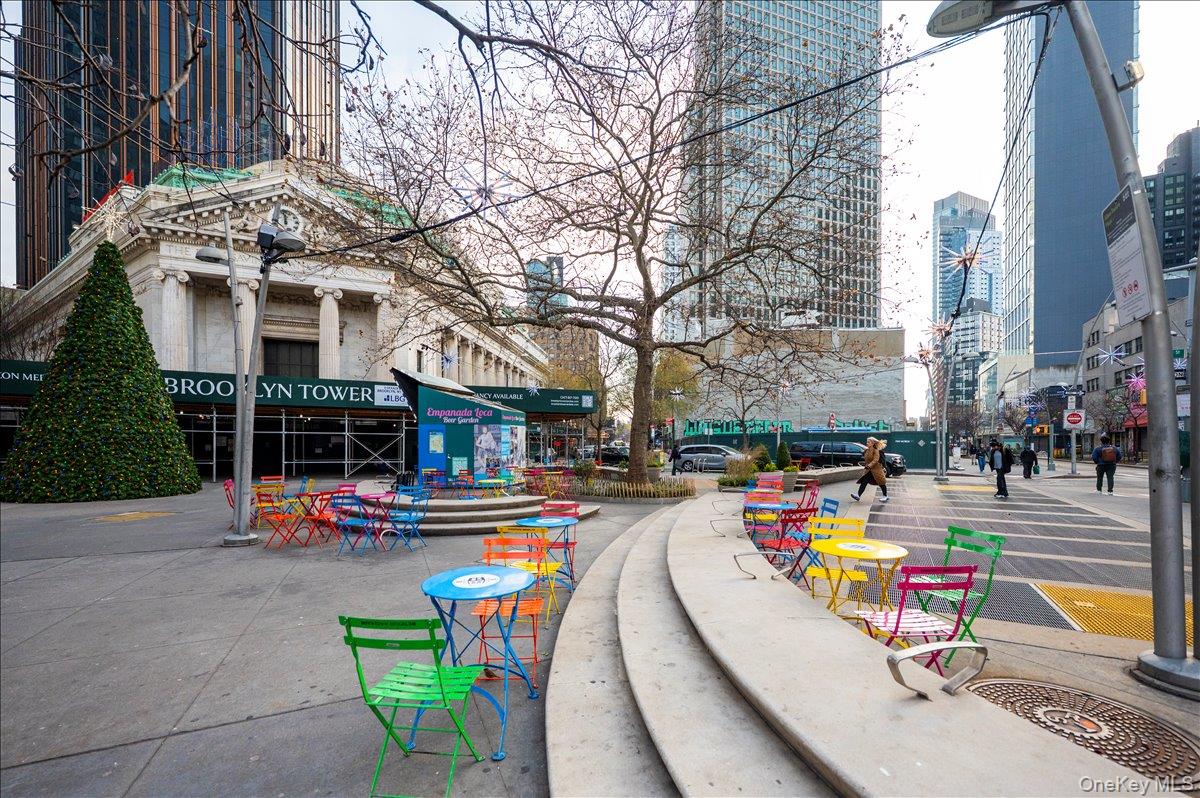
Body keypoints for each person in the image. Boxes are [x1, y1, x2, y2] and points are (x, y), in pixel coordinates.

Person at [850, 436, 889, 503]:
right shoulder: (867, 450)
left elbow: (876, 459)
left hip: (877, 470)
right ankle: (858, 495)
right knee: (864, 481)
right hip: (870, 470)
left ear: (873, 443)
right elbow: (867, 458)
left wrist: (869, 465)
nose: (867, 443)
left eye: (868, 442)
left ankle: (885, 496)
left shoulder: (876, 450)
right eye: (867, 442)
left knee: (881, 483)